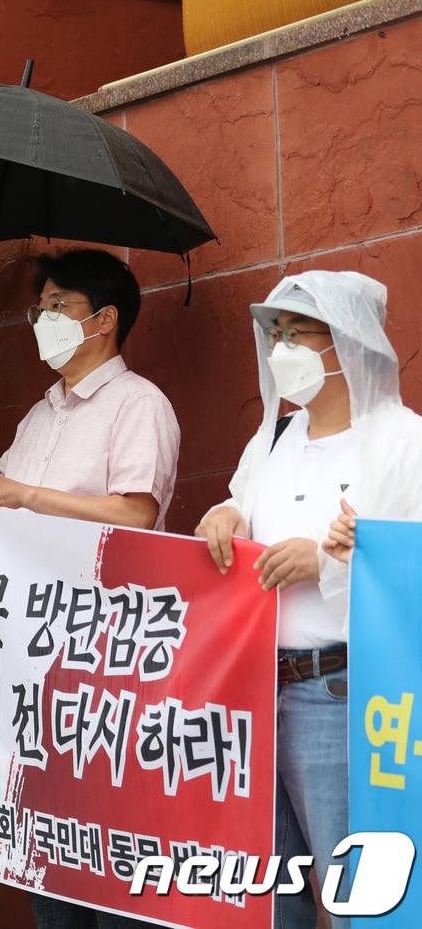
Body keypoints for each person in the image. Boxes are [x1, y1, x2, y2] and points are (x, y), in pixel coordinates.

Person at [0, 248, 178, 929]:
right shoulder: (42, 415)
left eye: (57, 306)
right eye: (39, 307)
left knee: (113, 856)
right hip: (35, 658)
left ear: (102, 320)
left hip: (109, 666)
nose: (42, 318)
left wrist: (27, 494)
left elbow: (136, 513)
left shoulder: (138, 404)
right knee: (49, 858)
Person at [196, 271, 422, 929]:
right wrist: (222, 515)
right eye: (276, 334)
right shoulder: (270, 441)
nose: (281, 348)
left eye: (299, 334)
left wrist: (328, 562)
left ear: (348, 342)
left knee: (359, 894)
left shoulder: (403, 443)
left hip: (348, 693)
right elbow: (237, 506)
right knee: (269, 893)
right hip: (252, 696)